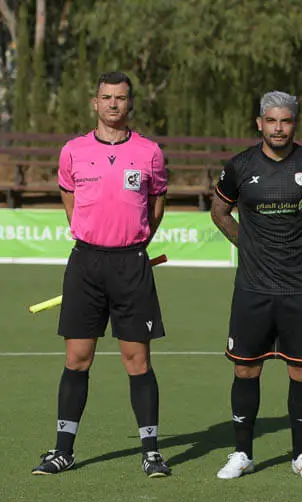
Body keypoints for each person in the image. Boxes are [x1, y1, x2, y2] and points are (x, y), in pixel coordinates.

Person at [32, 71, 170, 478]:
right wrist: (93, 238)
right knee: (77, 358)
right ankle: (63, 450)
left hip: (132, 265)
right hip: (86, 265)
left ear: (130, 104)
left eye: (121, 98)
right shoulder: (73, 150)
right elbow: (69, 199)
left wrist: (133, 242)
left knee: (137, 361)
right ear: (95, 103)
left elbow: (156, 206)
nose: (113, 104)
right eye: (106, 97)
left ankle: (150, 453)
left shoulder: (149, 152)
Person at [210, 91, 302, 482]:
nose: (278, 128)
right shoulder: (239, 167)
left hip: (299, 288)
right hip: (253, 288)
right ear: (259, 123)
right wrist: (247, 244)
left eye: (285, 121)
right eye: (271, 121)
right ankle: (242, 453)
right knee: (245, 371)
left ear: (294, 124)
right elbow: (219, 211)